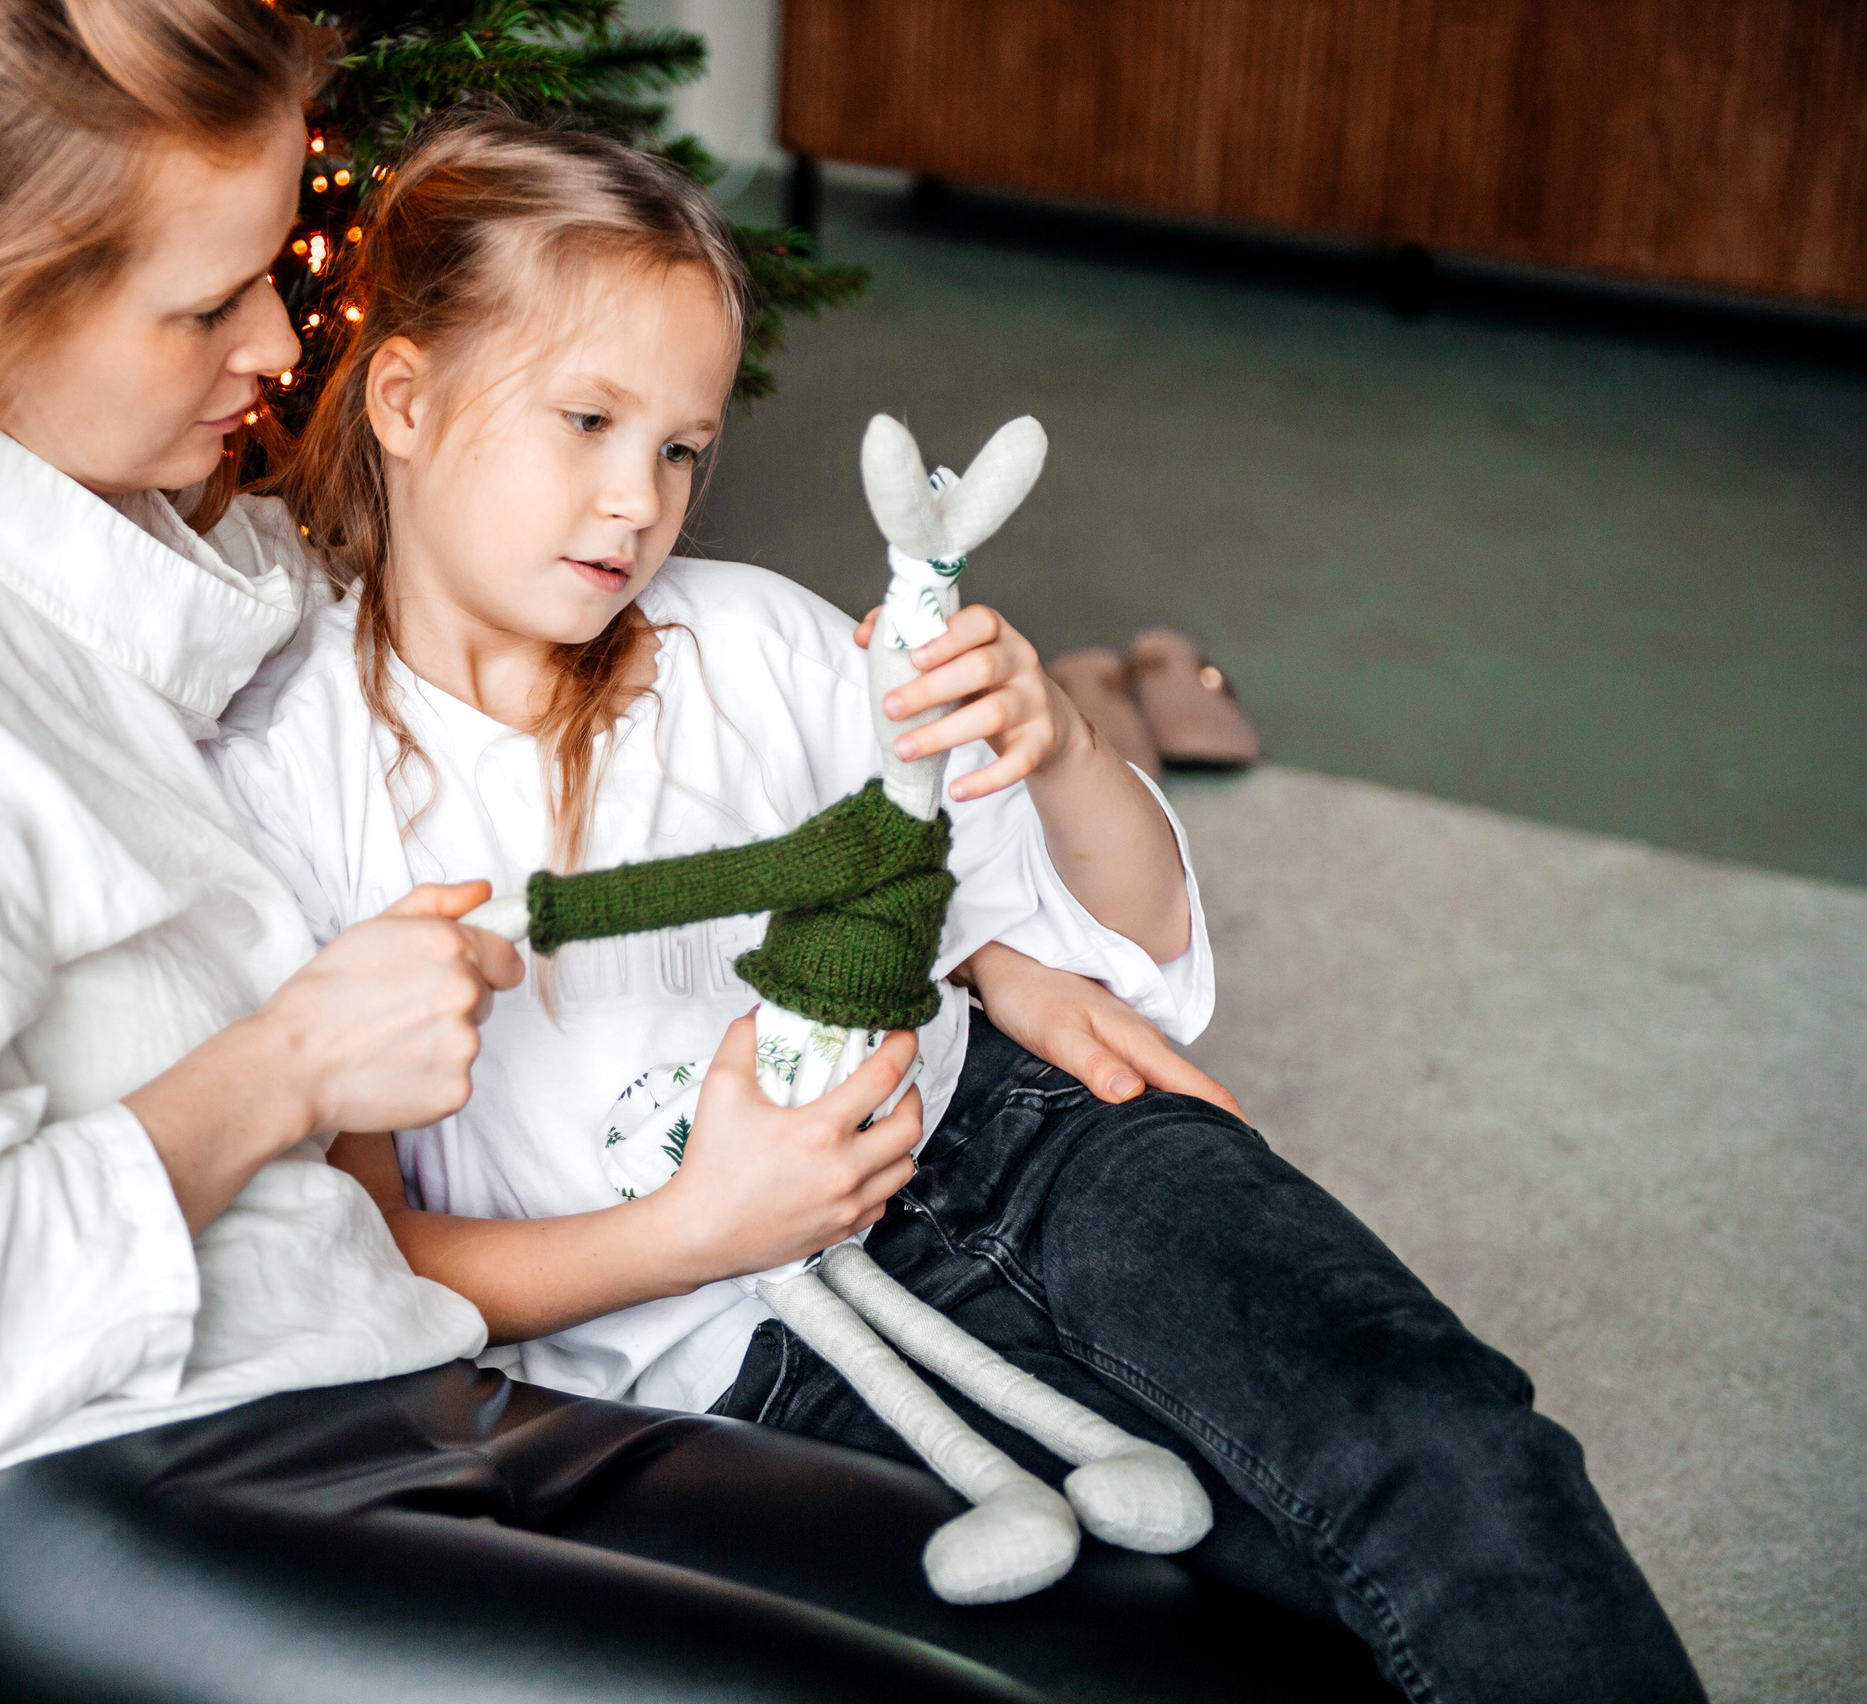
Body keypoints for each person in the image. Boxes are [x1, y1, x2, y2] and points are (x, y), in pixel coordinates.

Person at [0, 6, 1260, 1703]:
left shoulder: (129, 557)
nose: (285, 344)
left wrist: (977, 923)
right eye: (209, 304)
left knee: (1168, 1644)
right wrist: (283, 1070)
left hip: (401, 1391)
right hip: (67, 1509)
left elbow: (452, 582)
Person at [206, 113, 1708, 1704]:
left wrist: (1059, 755)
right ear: (406, 398)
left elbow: (1095, 946)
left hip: (1003, 1139)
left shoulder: (757, 640)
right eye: (587, 420)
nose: (639, 502)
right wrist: (698, 1228)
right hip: (738, 1349)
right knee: (1216, 1637)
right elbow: (371, 1256)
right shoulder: (293, 781)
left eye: (680, 448)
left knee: (1451, 1449)